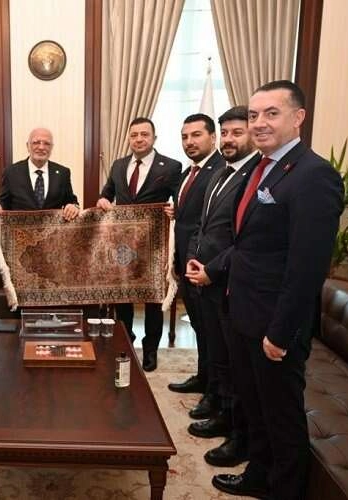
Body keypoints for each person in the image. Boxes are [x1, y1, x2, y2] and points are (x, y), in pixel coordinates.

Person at [209, 81, 343, 499]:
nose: (259, 123)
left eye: (271, 113)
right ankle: (258, 476)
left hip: (275, 325)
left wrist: (281, 333)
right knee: (255, 407)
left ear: (298, 117)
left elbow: (307, 268)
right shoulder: (259, 167)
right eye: (253, 115)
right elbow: (247, 244)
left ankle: (284, 490)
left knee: (281, 416)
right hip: (243, 312)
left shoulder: (313, 175)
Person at [183, 106, 258, 467]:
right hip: (203, 277)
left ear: (252, 134)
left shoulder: (254, 176)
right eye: (226, 132)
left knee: (232, 360)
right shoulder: (218, 175)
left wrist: (211, 270)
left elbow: (245, 239)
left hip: (229, 283)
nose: (229, 139)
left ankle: (235, 430)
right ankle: (220, 410)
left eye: (236, 132)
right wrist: (192, 258)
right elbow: (202, 225)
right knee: (217, 353)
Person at [96, 117, 182, 371]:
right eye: (134, 135)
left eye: (144, 134)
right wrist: (103, 199)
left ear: (154, 138)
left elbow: (180, 199)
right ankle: (126, 342)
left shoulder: (172, 166)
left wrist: (176, 208)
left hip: (154, 244)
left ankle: (151, 349)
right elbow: (107, 192)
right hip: (123, 243)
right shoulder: (119, 165)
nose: (139, 139)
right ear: (129, 138)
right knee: (124, 295)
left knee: (153, 298)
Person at [167, 113, 224, 421]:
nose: (189, 142)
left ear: (213, 138)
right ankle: (203, 378)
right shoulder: (188, 173)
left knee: (213, 334)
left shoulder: (220, 171)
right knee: (201, 328)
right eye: (185, 136)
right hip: (187, 263)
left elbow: (217, 228)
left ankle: (214, 393)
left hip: (206, 267)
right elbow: (188, 218)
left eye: (196, 135)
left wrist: (204, 266)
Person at [0, 127, 80, 221]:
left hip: (53, 230)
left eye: (46, 143)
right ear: (27, 146)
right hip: (21, 229)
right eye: (36, 142)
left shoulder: (63, 173)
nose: (41, 147)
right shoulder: (11, 172)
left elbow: (71, 201)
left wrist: (73, 206)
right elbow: (3, 202)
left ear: (51, 147)